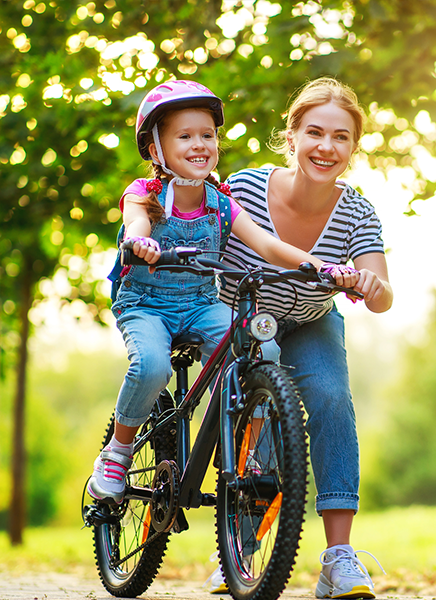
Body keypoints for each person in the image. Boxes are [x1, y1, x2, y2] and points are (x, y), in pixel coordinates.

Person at [87, 79, 356, 505]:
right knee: (152, 367)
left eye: (207, 135)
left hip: (199, 304)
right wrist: (141, 243)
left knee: (260, 351)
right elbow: (136, 223)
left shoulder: (221, 201)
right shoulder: (144, 195)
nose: (200, 144)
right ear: (156, 149)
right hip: (147, 306)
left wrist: (321, 266)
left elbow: (267, 244)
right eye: (185, 136)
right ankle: (118, 450)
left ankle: (238, 438)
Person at [214, 77, 394, 599]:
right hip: (240, 316)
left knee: (332, 399)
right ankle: (238, 551)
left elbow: (382, 294)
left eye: (341, 138)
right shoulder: (245, 187)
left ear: (352, 149)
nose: (326, 147)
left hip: (311, 320)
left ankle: (339, 558)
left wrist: (370, 283)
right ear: (291, 137)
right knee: (261, 414)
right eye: (314, 133)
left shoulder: (356, 211)